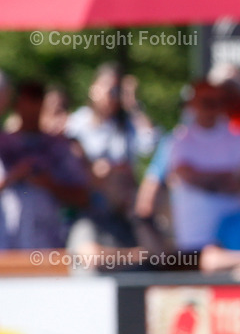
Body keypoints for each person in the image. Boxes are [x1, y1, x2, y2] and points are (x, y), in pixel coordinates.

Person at [0, 80, 90, 249]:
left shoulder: (59, 146)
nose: (31, 108)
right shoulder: (3, 144)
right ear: (16, 104)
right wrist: (14, 175)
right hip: (6, 243)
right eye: (26, 101)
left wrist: (49, 184)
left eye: (36, 100)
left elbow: (82, 197)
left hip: (47, 244)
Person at [166, 80, 240, 252]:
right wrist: (227, 177)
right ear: (193, 104)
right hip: (194, 236)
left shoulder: (239, 137)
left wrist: (204, 178)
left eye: (215, 101)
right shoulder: (180, 139)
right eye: (205, 101)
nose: (210, 106)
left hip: (235, 239)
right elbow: (187, 176)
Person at [65, 63, 157, 178]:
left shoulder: (126, 124)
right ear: (93, 89)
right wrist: (91, 167)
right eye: (105, 87)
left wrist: (132, 103)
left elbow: (149, 145)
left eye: (115, 90)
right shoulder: (77, 122)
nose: (110, 95)